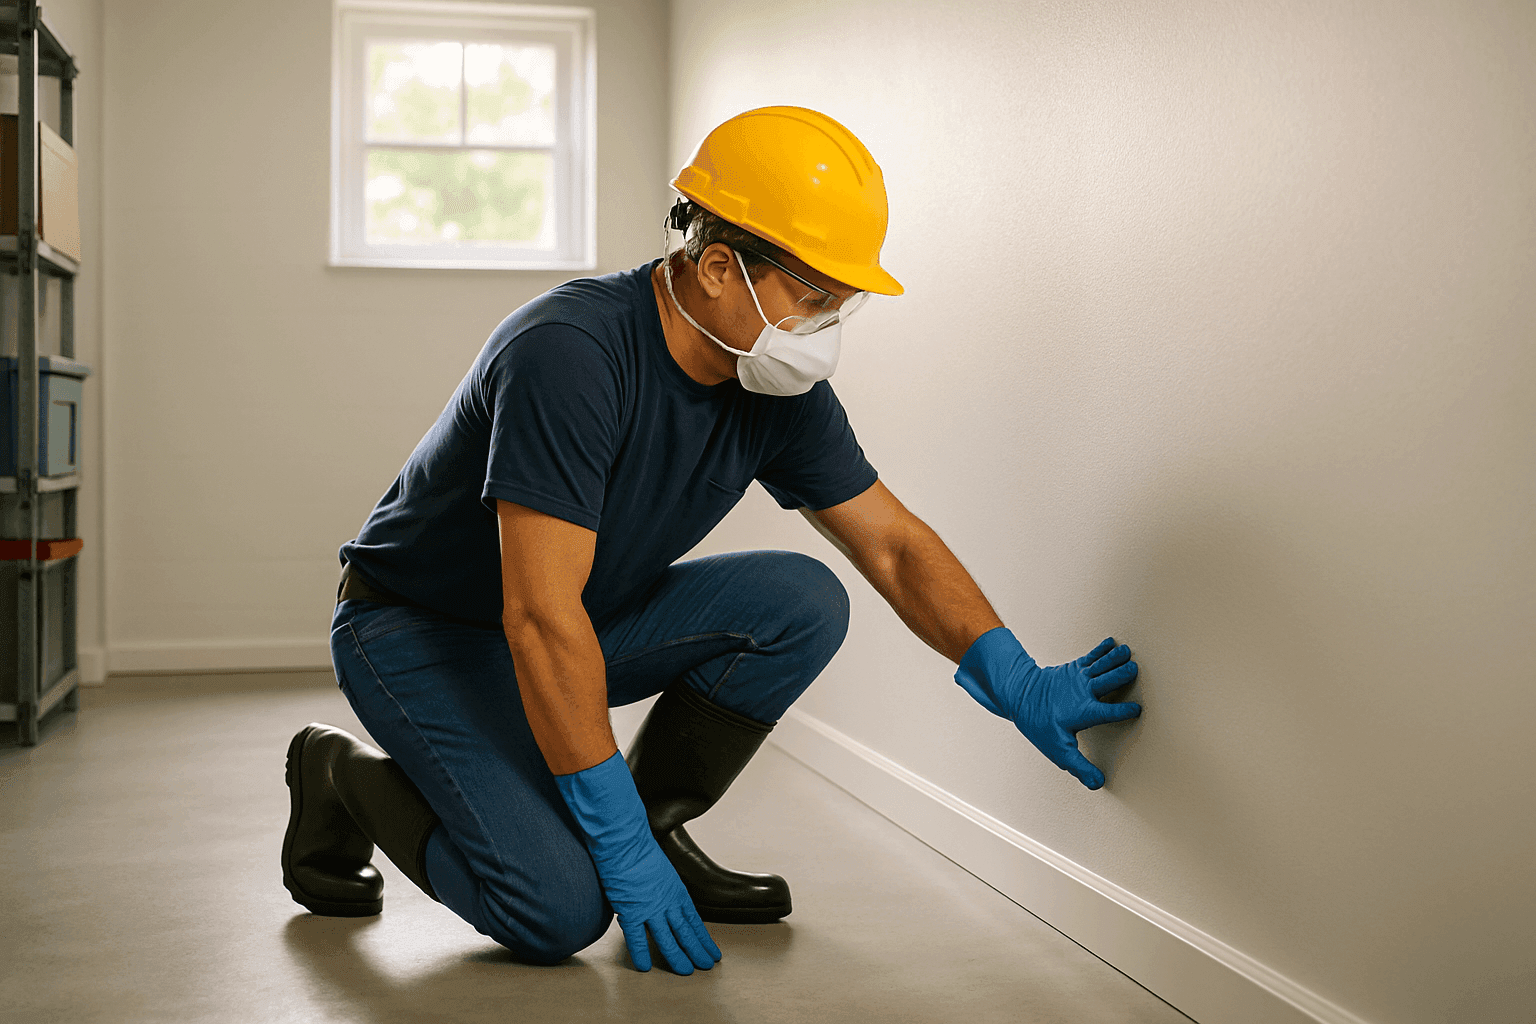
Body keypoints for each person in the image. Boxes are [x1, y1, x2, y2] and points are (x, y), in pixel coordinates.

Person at [280, 105, 1143, 977]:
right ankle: (342, 776)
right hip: (419, 633)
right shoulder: (569, 354)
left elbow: (892, 545)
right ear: (721, 267)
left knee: (800, 602)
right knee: (558, 909)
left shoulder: (772, 388)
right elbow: (537, 616)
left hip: (573, 617)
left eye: (842, 305)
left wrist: (1015, 676)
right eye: (813, 298)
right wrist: (609, 851)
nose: (827, 328)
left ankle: (654, 834)